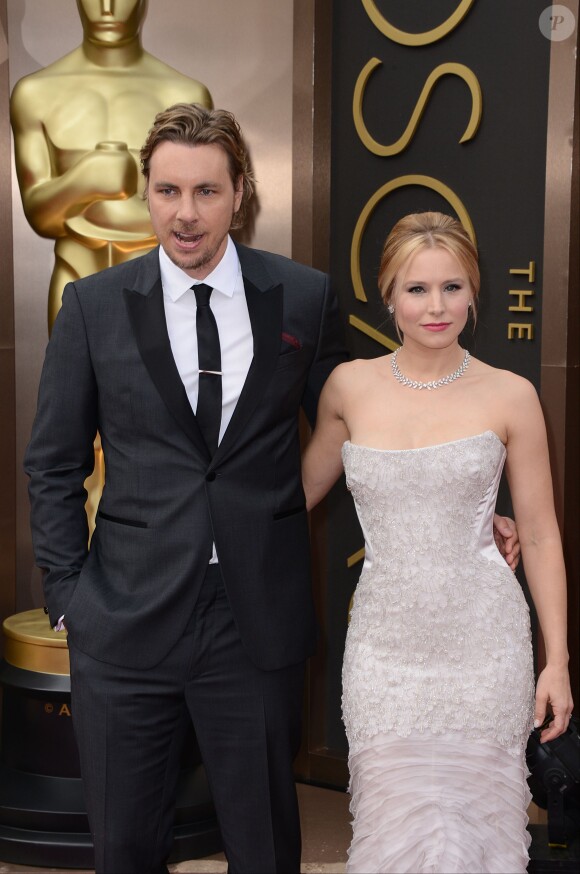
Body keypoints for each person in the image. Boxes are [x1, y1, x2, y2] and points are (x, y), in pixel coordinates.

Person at [24, 109, 518, 873]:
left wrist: (471, 500)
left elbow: (371, 418)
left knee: (263, 849)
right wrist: (68, 595)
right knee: (123, 849)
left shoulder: (300, 296)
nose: (186, 213)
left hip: (253, 621)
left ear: (240, 194)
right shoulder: (93, 308)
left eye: (207, 191)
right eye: (168, 191)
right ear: (147, 196)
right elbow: (52, 462)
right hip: (122, 620)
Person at [302, 211, 573, 873]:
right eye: (417, 288)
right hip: (384, 657)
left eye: (452, 287)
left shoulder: (512, 396)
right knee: (394, 836)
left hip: (485, 653)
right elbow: (289, 502)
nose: (436, 306)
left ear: (474, 292)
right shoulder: (348, 387)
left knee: (477, 841)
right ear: (387, 293)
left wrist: (557, 659)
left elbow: (538, 533)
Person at [10, 0, 213, 330]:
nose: (107, 7)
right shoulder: (35, 93)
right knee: (70, 380)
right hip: (74, 274)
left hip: (159, 282)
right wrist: (85, 180)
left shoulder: (185, 95)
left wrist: (97, 205)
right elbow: (39, 215)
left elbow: (195, 209)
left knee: (158, 381)